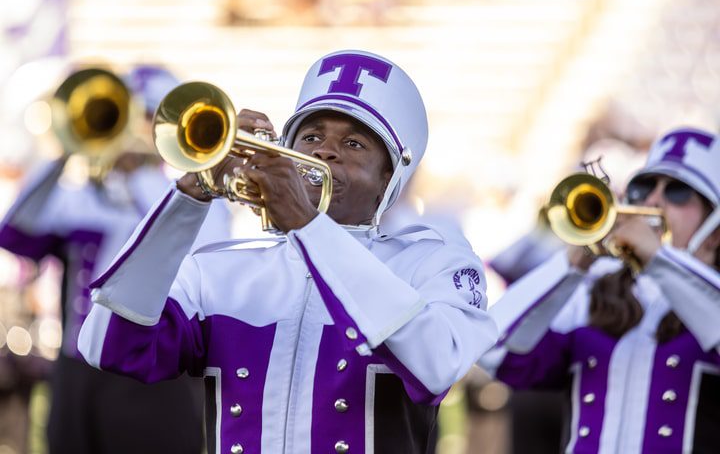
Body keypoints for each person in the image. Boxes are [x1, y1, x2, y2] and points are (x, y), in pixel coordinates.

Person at [77, 49, 499, 454]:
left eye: (353, 144)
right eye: (311, 136)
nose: (323, 151)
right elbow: (107, 345)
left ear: (390, 176)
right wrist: (190, 193)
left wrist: (306, 224)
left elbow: (438, 364)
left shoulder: (432, 261)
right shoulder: (222, 268)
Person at [0, 65, 230, 453]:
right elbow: (15, 232)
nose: (132, 132)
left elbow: (201, 252)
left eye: (147, 119)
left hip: (153, 372)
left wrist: (139, 174)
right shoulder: (83, 197)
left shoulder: (199, 199)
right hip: (76, 369)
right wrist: (66, 149)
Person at [479, 126, 720, 453]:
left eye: (678, 192)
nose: (653, 201)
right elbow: (494, 349)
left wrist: (658, 259)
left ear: (715, 230)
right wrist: (571, 264)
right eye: (643, 187)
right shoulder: (591, 294)